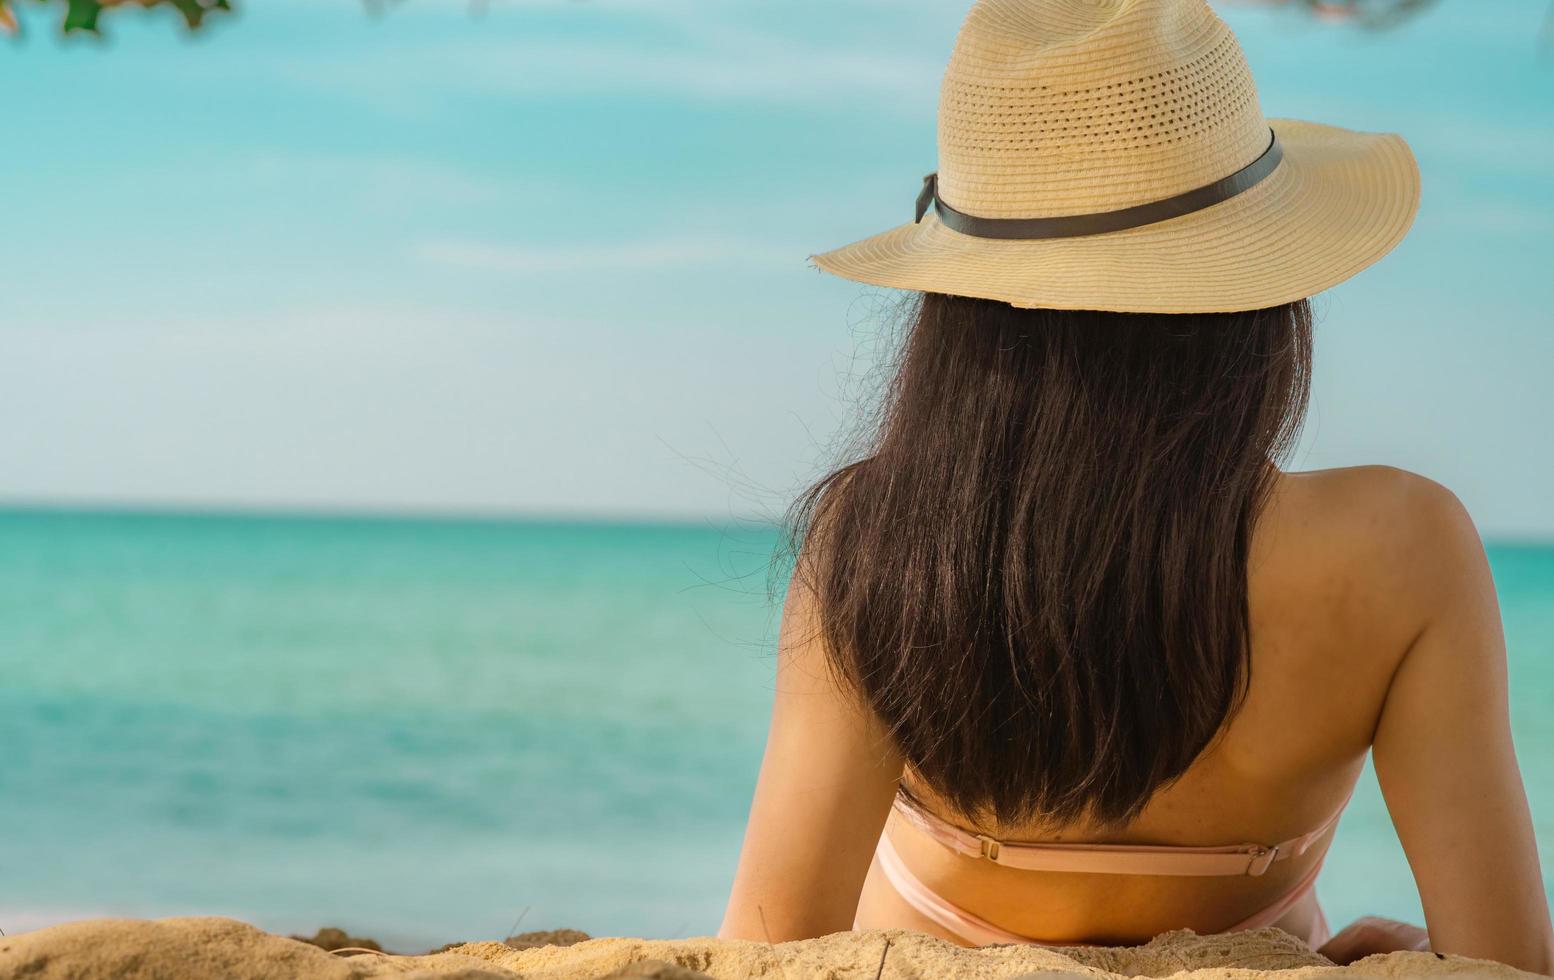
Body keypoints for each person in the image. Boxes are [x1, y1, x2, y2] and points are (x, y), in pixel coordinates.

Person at [718, 0, 1554, 972]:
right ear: (1260, 280)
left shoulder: (882, 544)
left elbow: (768, 948)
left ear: (960, 312)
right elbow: (1508, 961)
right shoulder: (1402, 549)